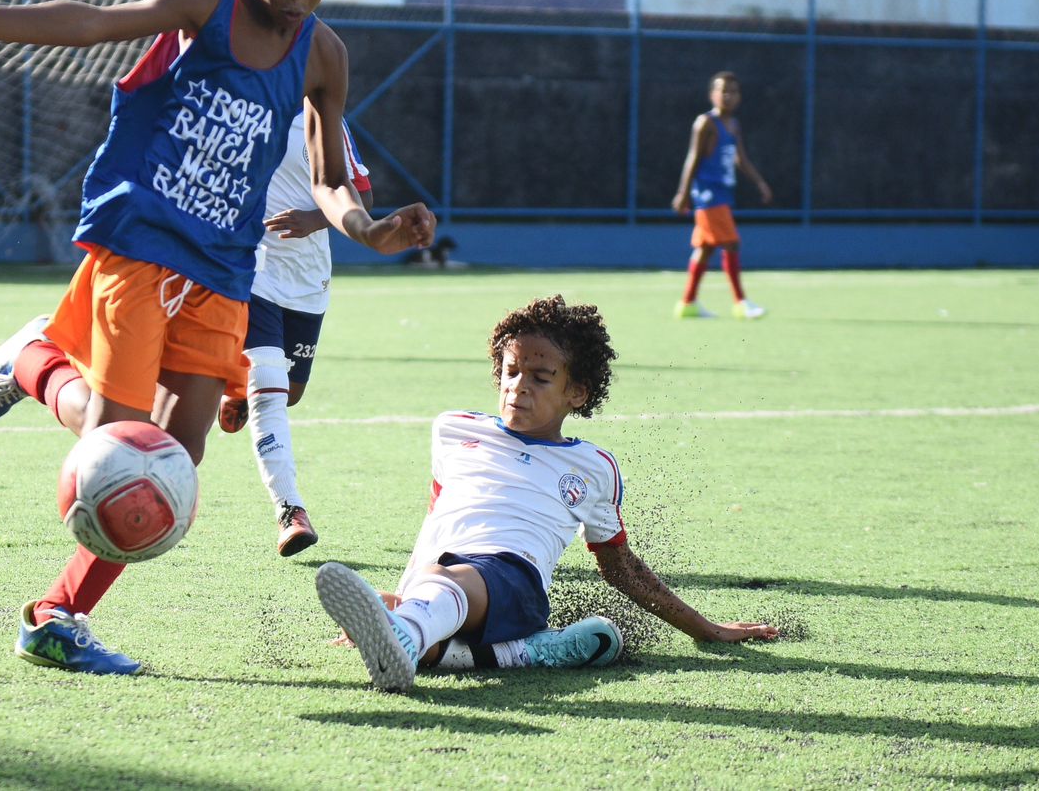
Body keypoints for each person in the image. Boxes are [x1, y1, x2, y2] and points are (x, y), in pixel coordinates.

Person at [0, 0, 436, 675]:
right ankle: (32, 362)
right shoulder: (204, 5)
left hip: (222, 264)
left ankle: (54, 618)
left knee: (175, 458)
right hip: (141, 235)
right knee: (117, 441)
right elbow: (93, 23)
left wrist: (368, 229)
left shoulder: (323, 54)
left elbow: (326, 176)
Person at [314, 294, 778, 693]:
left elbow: (622, 566)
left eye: (540, 378)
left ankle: (408, 635)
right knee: (399, 601)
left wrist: (707, 629)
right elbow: (437, 519)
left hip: (515, 583)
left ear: (576, 392)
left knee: (436, 591)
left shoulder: (594, 467)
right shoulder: (453, 429)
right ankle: (510, 651)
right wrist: (407, 591)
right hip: (448, 577)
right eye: (511, 371)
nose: (518, 387)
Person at [216, 107, 373, 557]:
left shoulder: (324, 120)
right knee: (270, 383)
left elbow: (363, 197)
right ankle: (290, 509)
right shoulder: (241, 106)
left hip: (307, 277)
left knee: (292, 392)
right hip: (251, 267)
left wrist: (314, 219)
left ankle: (239, 390)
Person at [670, 71, 771, 319]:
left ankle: (687, 304)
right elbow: (692, 158)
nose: (728, 95)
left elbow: (740, 158)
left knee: (705, 250)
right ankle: (740, 302)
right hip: (708, 194)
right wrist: (683, 192)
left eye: (733, 91)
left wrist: (759, 182)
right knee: (732, 243)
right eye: (722, 90)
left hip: (723, 193)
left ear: (739, 96)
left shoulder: (733, 125)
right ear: (712, 94)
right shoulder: (705, 123)